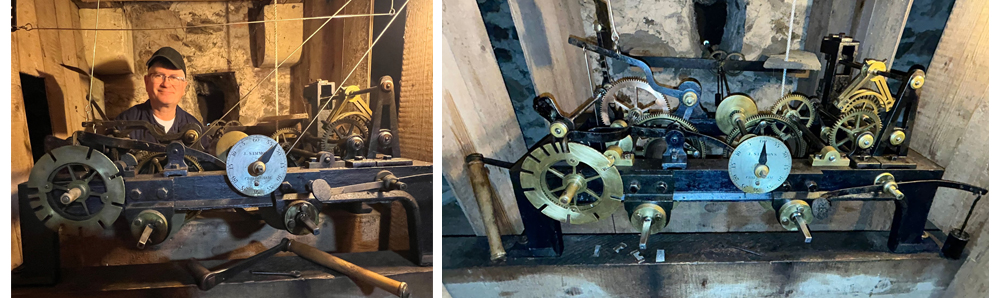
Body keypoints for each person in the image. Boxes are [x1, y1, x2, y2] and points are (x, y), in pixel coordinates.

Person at [115, 47, 205, 144]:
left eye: (174, 77)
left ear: (184, 87)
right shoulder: (124, 123)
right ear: (147, 82)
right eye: (158, 76)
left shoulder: (196, 130)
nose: (166, 84)